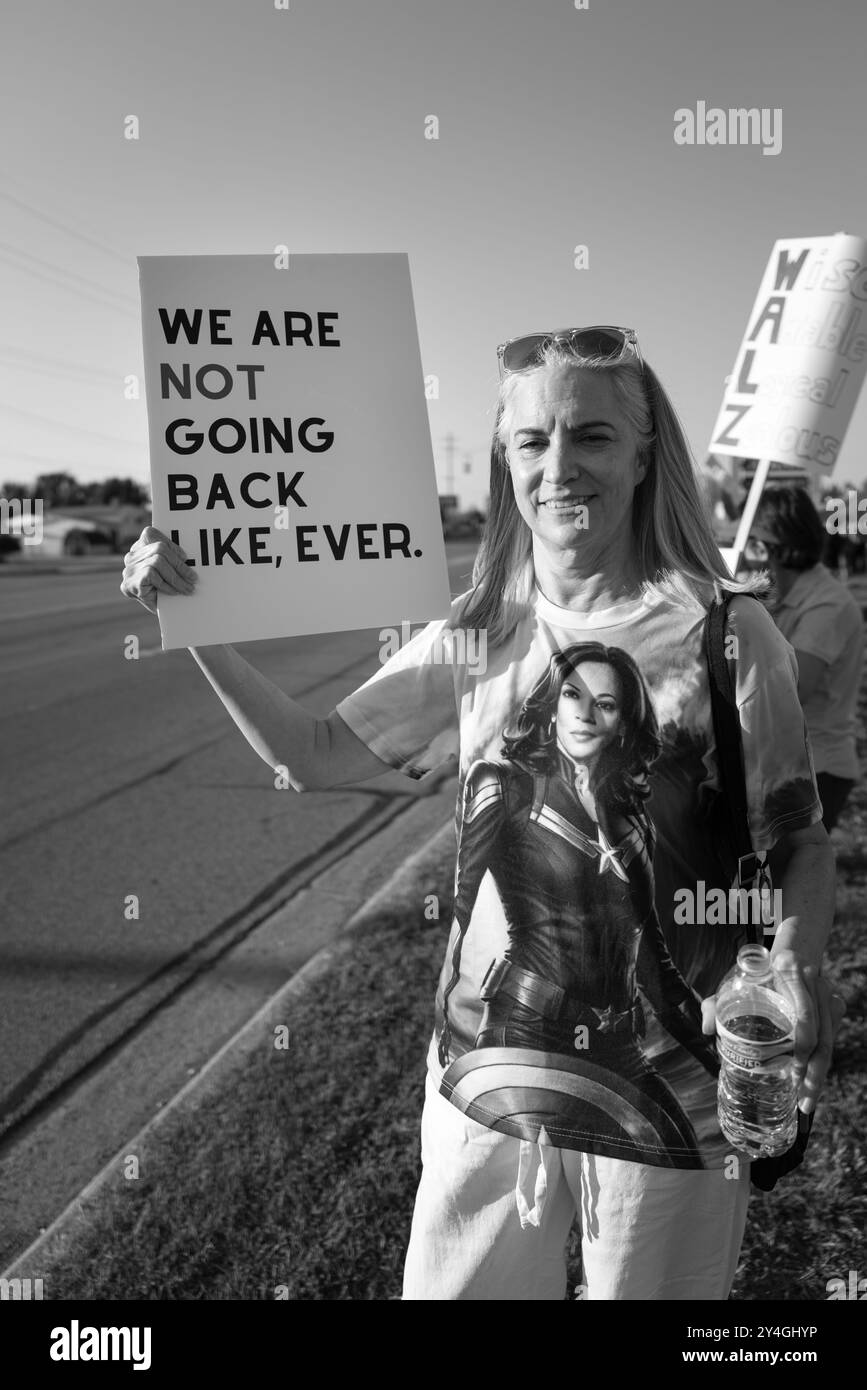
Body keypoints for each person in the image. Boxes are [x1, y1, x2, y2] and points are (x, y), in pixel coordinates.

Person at [121, 325, 843, 1301]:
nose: (559, 465)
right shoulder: (481, 631)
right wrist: (193, 622)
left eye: (590, 435)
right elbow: (314, 751)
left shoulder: (729, 630)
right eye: (531, 441)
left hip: (673, 1093)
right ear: (506, 464)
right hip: (484, 1076)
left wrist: (796, 954)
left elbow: (796, 835)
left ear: (643, 453)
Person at [747, 484, 865, 832]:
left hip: (817, 769)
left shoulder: (828, 605)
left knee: (792, 879)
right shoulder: (779, 593)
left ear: (773, 544)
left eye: (754, 540)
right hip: (783, 763)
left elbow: (789, 692)